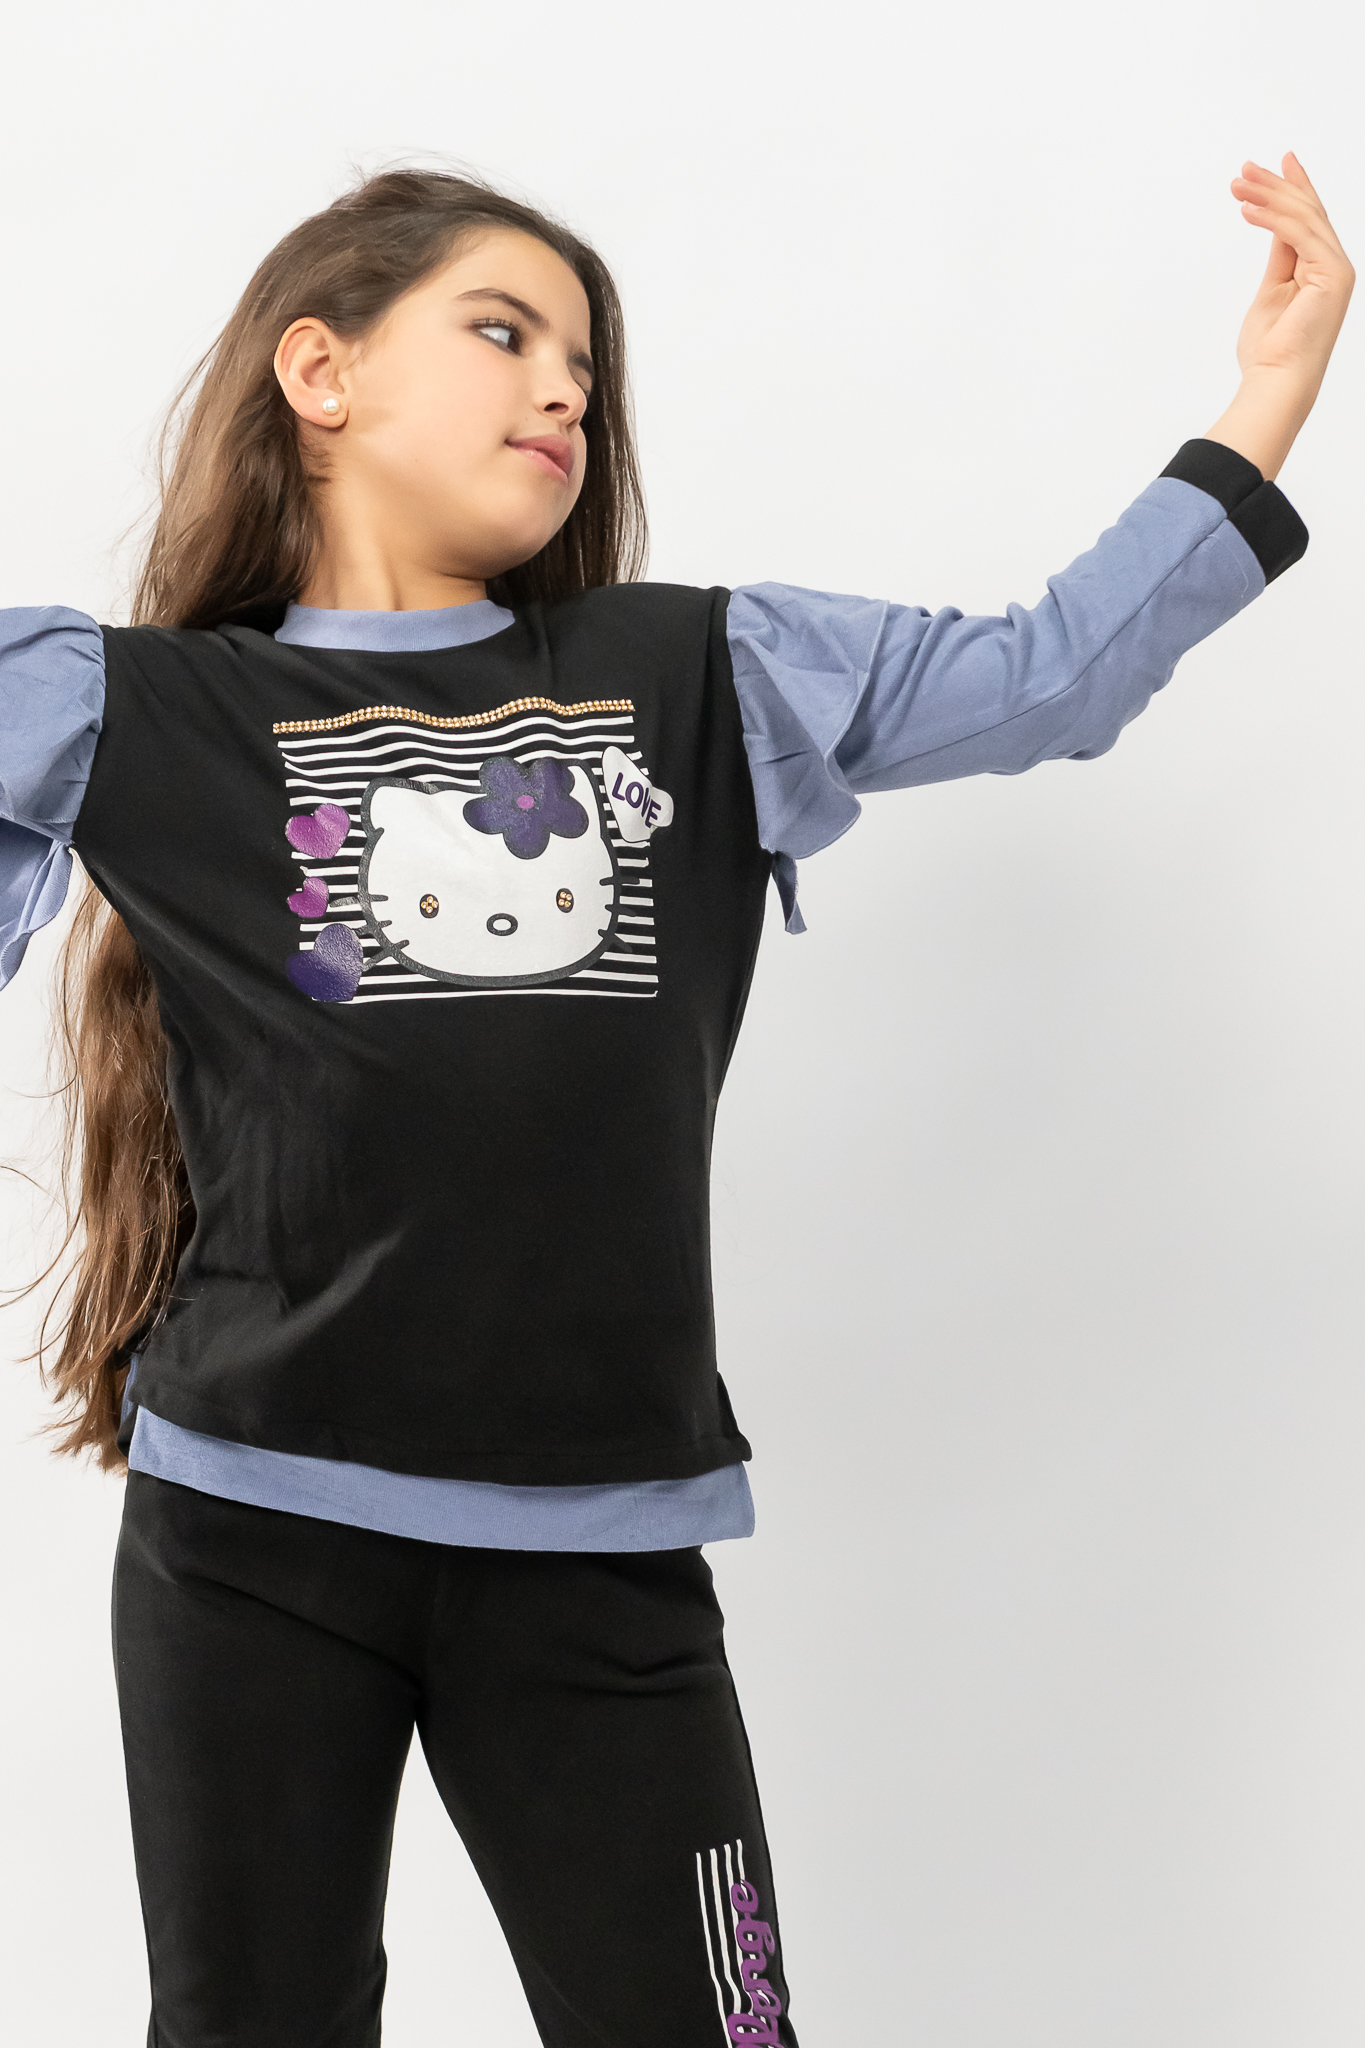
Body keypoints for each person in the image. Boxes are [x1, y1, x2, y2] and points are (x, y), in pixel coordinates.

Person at [0, 155, 1351, 2048]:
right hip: (250, 1532)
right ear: (321, 371)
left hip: (599, 1548)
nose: (563, 386)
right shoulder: (128, 708)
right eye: (503, 332)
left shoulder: (700, 673)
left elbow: (1047, 674)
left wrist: (1269, 391)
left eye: (583, 362)